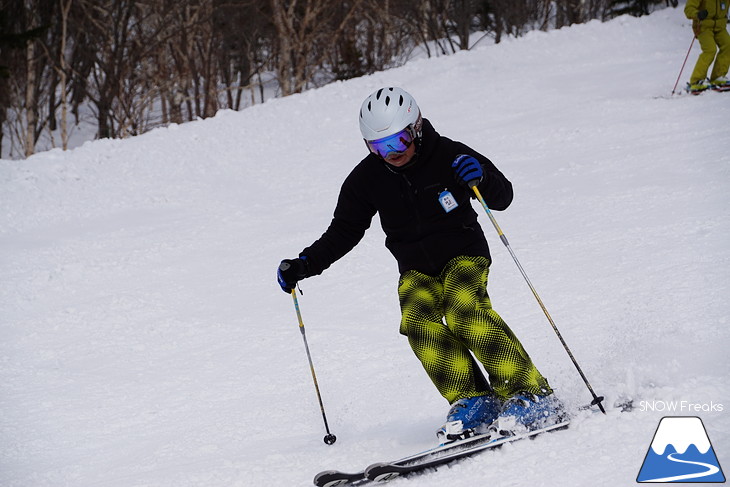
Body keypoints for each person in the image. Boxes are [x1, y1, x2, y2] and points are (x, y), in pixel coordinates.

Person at [277, 87, 563, 443]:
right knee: (417, 323)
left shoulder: (450, 155)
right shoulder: (366, 179)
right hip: (415, 269)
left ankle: (531, 393)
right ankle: (474, 399)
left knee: (465, 311)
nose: (391, 154)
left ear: (416, 128)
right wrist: (305, 263)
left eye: (397, 141)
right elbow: (344, 230)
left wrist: (482, 178)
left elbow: (502, 196)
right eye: (378, 147)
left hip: (464, 255)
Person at [685, 0, 730, 93]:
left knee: (728, 45)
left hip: (720, 27)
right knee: (710, 50)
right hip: (703, 26)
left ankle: (718, 76)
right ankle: (696, 80)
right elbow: (688, 9)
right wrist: (697, 14)